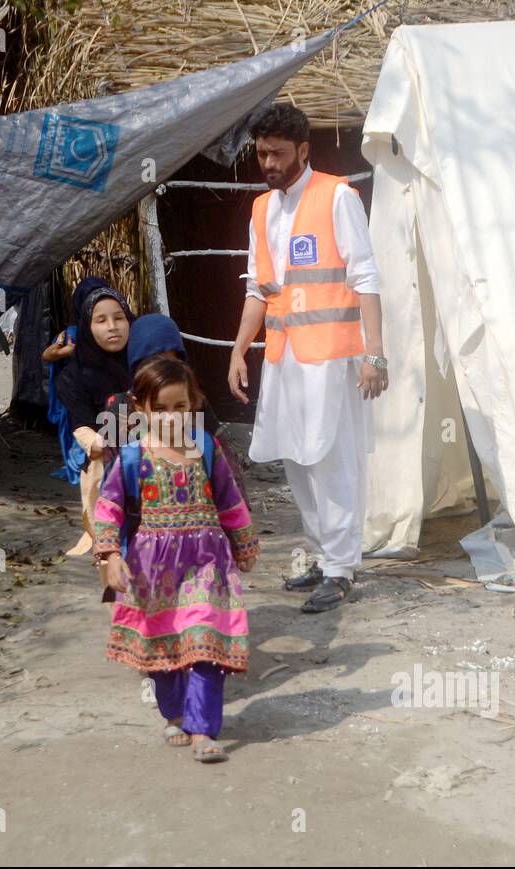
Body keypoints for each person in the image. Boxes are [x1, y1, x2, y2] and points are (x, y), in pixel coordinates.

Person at [227, 103, 386, 613]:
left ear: (302, 150)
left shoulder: (338, 197)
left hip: (334, 358)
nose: (268, 163)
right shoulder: (261, 210)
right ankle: (323, 557)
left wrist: (374, 356)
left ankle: (341, 570)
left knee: (331, 462)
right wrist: (238, 351)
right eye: (261, 153)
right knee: (297, 460)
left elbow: (366, 279)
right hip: (284, 356)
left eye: (277, 153)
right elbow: (259, 287)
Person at [94, 356, 259, 763]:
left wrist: (244, 543)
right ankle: (175, 715)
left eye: (180, 407)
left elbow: (229, 500)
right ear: (140, 409)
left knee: (205, 644)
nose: (171, 418)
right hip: (153, 570)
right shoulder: (132, 457)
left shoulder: (206, 448)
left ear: (194, 404)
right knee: (164, 649)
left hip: (207, 563)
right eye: (160, 409)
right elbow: (109, 508)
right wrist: (111, 555)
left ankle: (204, 729)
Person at [55, 282, 136, 555]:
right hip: (105, 464)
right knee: (113, 550)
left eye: (119, 317)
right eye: (101, 320)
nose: (112, 326)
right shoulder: (74, 376)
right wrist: (106, 444)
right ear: (87, 327)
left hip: (154, 463)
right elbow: (82, 426)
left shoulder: (146, 364)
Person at [43, 276, 109, 485]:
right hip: (73, 401)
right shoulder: (71, 334)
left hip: (103, 398)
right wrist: (66, 353)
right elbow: (48, 356)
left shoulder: (114, 329)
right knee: (79, 437)